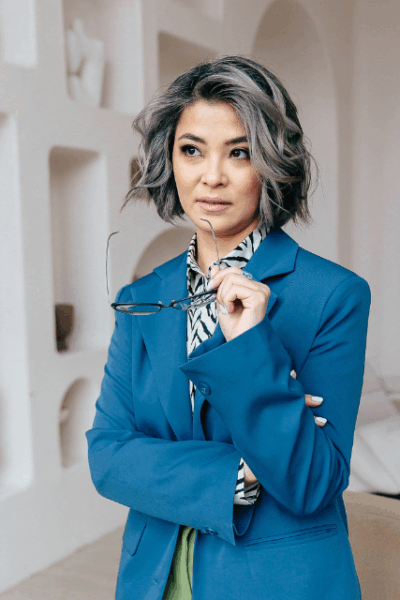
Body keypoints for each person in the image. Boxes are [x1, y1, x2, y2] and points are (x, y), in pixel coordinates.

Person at [86, 56, 371, 600]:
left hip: (277, 580)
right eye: (192, 150)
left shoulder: (332, 295)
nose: (211, 176)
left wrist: (253, 347)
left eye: (239, 153)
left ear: (273, 163)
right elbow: (107, 457)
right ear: (169, 159)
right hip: (154, 574)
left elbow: (311, 482)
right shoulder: (140, 297)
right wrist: (241, 471)